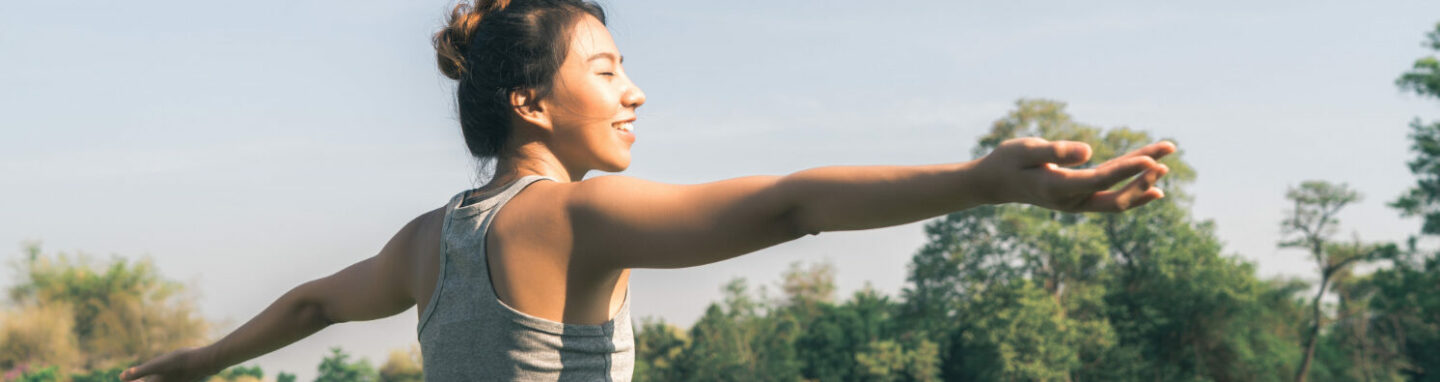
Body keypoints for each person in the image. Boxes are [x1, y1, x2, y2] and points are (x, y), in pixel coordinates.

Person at [119, 0, 1175, 380]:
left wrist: (194, 361)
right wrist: (984, 179)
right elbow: (789, 204)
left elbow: (309, 304)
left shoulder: (424, 239)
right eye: (609, 71)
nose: (635, 93)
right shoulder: (570, 216)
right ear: (533, 102)